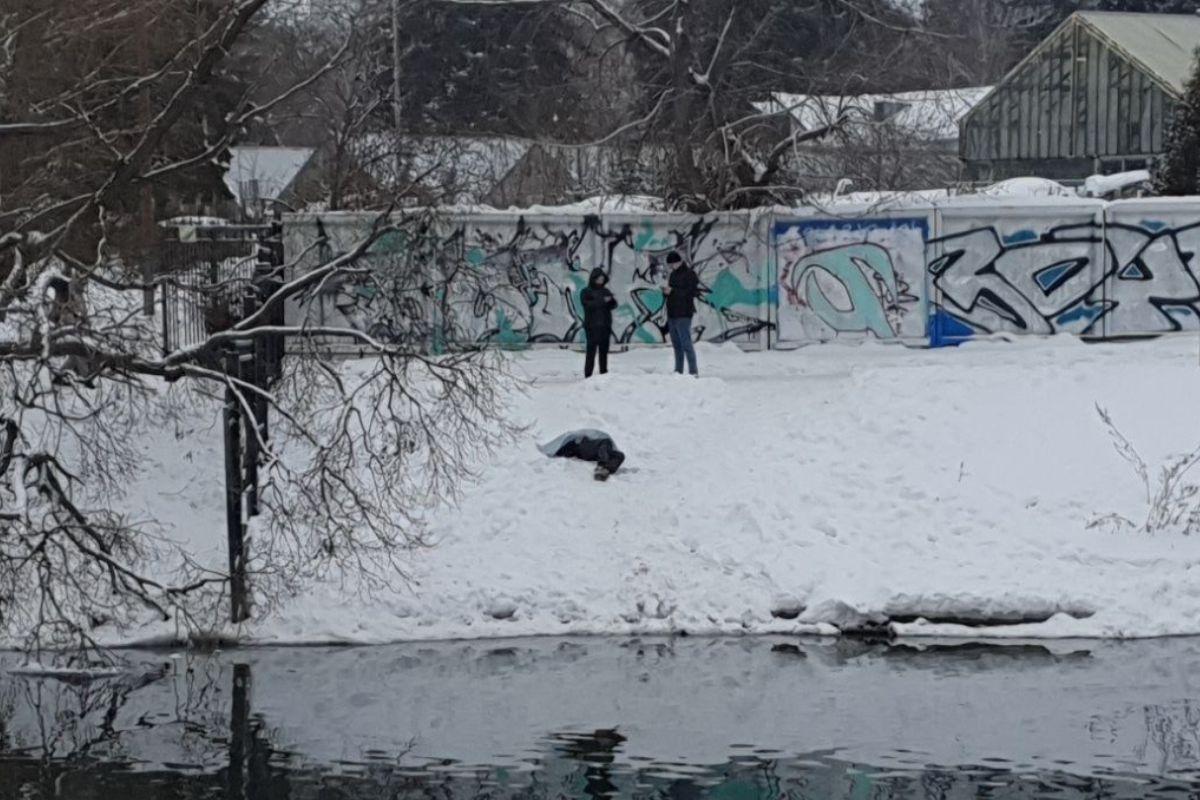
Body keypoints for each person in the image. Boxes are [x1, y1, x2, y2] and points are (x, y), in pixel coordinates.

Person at [663, 251, 700, 376]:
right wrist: (666, 292)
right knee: (676, 344)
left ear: (678, 262)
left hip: (684, 313)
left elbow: (691, 292)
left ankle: (693, 371)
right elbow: (673, 292)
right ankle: (678, 371)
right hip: (672, 312)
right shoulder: (673, 275)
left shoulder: (690, 274)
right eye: (670, 265)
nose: (671, 267)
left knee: (686, 343)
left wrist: (673, 291)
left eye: (672, 264)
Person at [538, 429, 626, 481]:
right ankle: (602, 468)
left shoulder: (612, 452)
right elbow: (569, 441)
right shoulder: (604, 442)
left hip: (587, 452)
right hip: (586, 446)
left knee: (620, 455)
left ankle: (604, 469)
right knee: (606, 444)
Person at [579, 268, 617, 378]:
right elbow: (587, 304)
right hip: (592, 326)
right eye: (599, 279)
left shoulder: (606, 291)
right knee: (591, 351)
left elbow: (613, 305)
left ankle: (603, 373)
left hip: (605, 325)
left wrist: (610, 301)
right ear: (593, 279)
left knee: (603, 352)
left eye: (602, 279)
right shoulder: (586, 291)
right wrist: (602, 301)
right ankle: (588, 374)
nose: (601, 281)